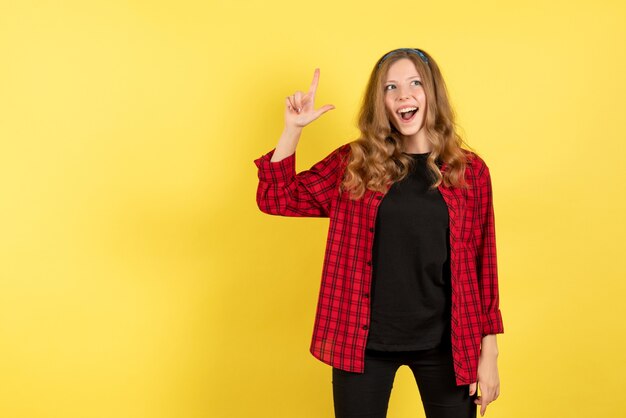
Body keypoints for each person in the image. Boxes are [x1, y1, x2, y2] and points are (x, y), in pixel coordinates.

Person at [253, 48, 504, 418]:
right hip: (362, 342)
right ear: (381, 102)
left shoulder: (471, 172)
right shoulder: (354, 163)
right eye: (391, 87)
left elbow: (485, 266)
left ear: (431, 93)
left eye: (415, 83)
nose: (404, 95)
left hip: (448, 344)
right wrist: (292, 130)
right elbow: (277, 198)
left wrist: (490, 354)